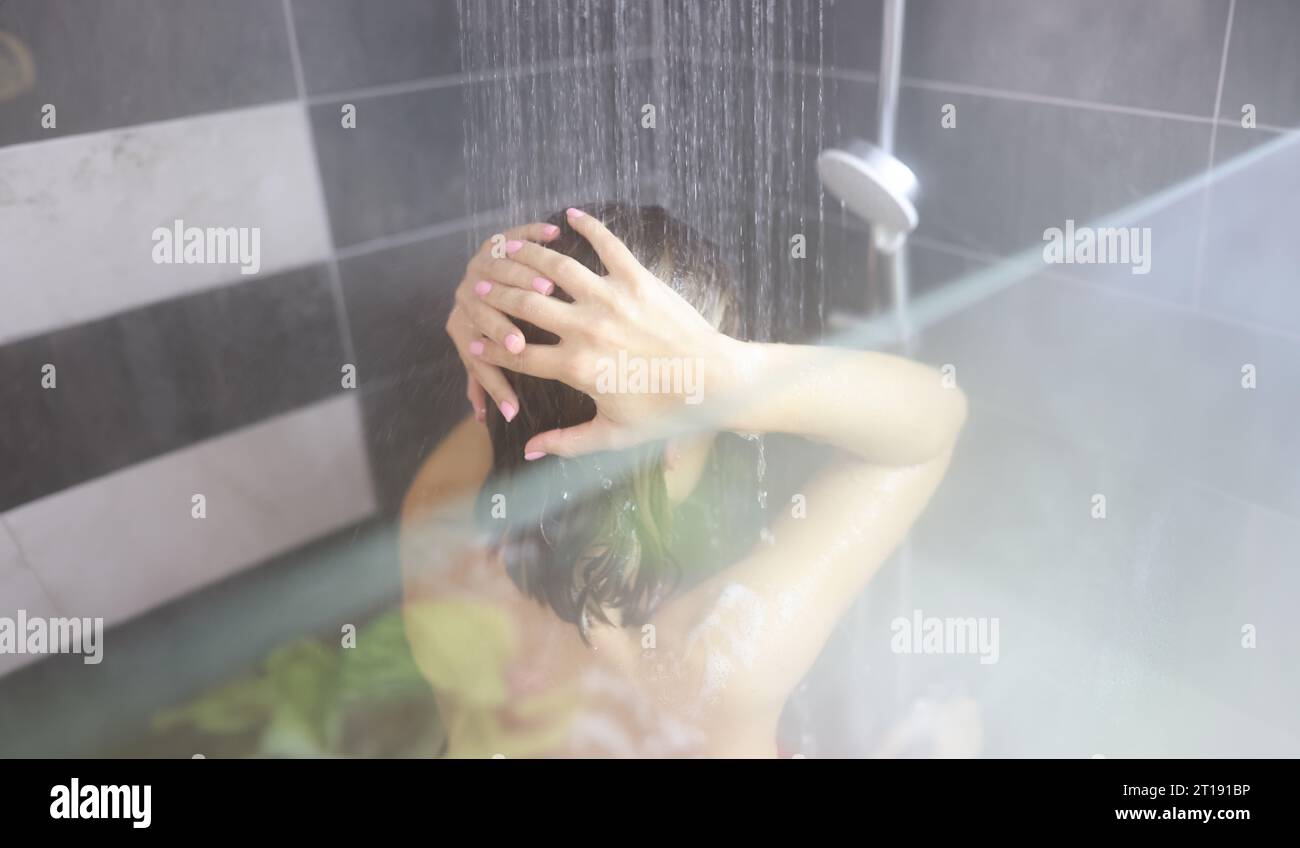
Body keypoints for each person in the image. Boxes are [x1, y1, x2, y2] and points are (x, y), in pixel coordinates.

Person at [400, 203, 967, 757]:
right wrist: (726, 373)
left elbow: (520, 403)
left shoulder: (439, 529)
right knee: (956, 729)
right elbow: (933, 423)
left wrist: (490, 303)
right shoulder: (703, 670)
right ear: (672, 439)